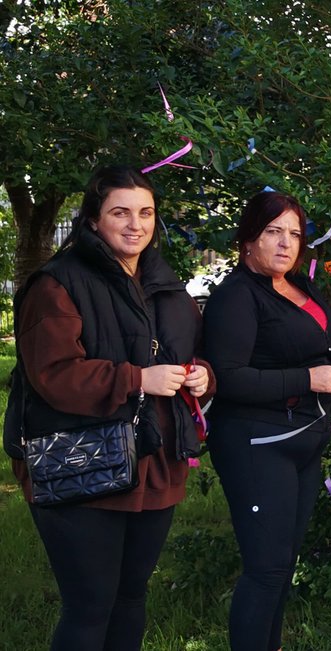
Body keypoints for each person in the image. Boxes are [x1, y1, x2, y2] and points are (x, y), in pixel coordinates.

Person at [2, 166, 211, 651]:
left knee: (131, 598)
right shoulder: (57, 284)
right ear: (93, 220)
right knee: (89, 608)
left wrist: (202, 375)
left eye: (146, 212)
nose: (135, 224)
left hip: (154, 463)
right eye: (120, 212)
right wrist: (137, 379)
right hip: (82, 467)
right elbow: (54, 374)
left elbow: (190, 350)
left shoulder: (164, 282)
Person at [203, 191, 331, 651]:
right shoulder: (236, 297)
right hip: (257, 443)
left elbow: (317, 343)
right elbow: (229, 378)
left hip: (303, 443)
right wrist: (307, 378)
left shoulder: (300, 287)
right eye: (273, 232)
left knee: (283, 563)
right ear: (248, 239)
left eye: (294, 234)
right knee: (266, 568)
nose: (285, 244)